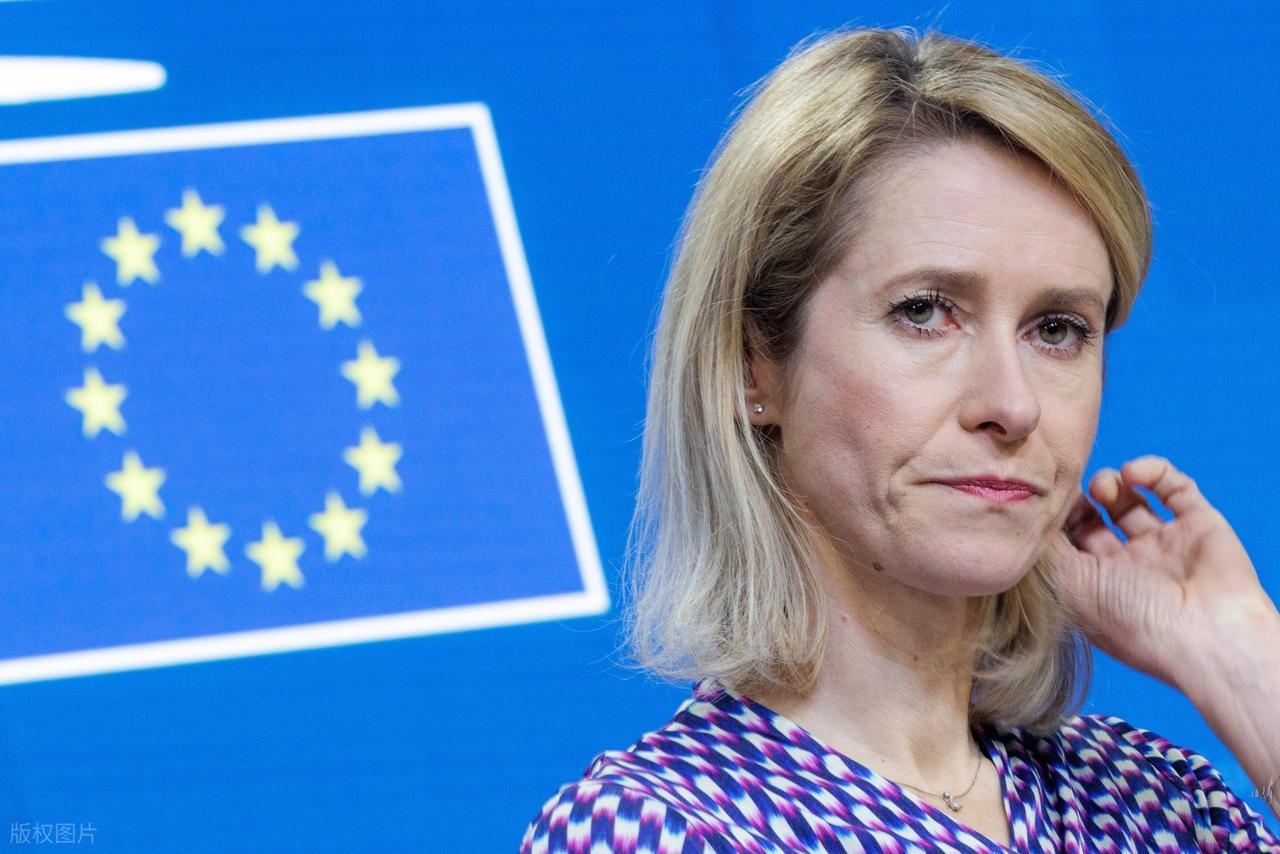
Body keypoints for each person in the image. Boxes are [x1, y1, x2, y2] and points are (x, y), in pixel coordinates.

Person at [521, 26, 1280, 853]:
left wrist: (1244, 664)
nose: (1012, 405)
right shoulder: (658, 828)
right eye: (924, 312)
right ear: (751, 366)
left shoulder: (1157, 802)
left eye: (1057, 329)